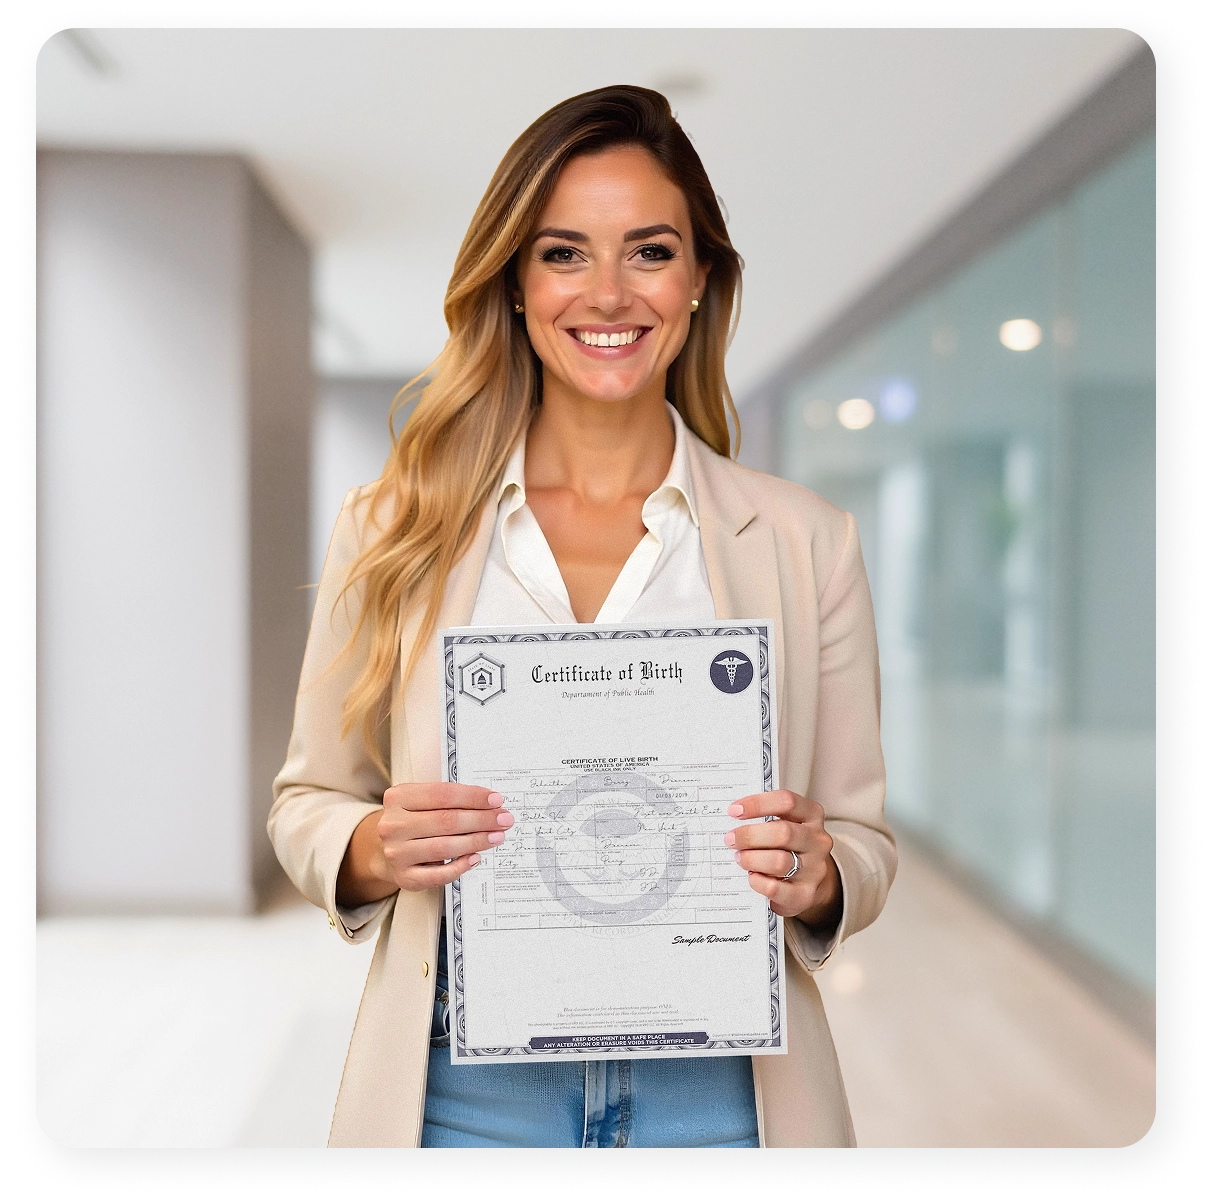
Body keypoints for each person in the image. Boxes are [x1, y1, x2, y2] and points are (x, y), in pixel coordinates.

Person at [269, 84, 895, 1149]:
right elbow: (306, 802)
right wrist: (377, 844)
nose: (607, 294)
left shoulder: (804, 541)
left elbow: (861, 840)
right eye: (563, 253)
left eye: (648, 251)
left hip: (725, 1096)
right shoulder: (391, 528)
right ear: (513, 282)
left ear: (700, 280)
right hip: (460, 1089)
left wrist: (820, 871)